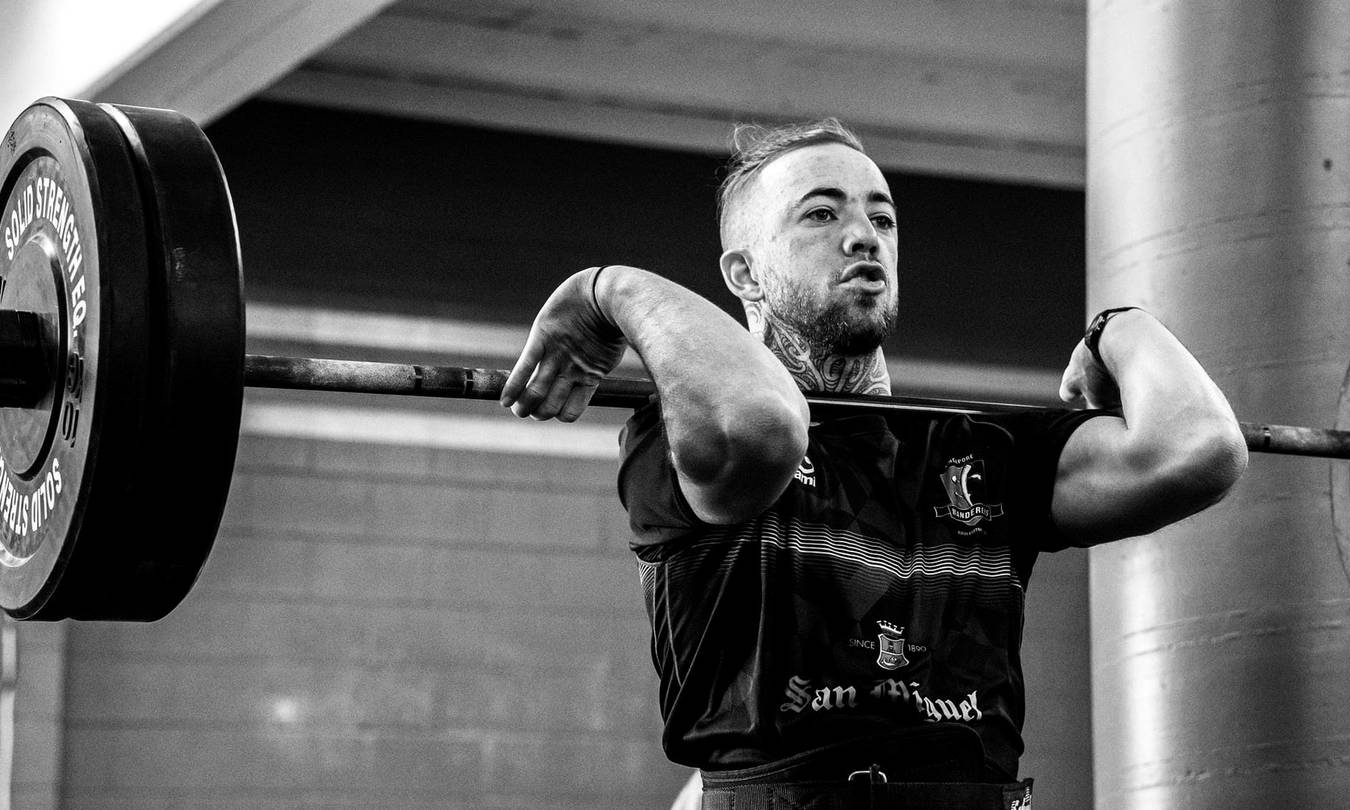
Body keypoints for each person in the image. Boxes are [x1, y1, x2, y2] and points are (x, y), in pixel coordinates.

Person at [499, 120, 1247, 809]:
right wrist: (611, 287)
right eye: (821, 214)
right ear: (745, 274)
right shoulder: (685, 430)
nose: (864, 236)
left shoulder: (983, 449)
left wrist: (1120, 327)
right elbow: (764, 422)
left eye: (881, 217)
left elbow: (1198, 451)